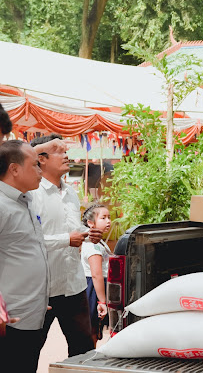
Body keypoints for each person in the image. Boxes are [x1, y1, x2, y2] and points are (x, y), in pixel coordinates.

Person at [30, 133, 100, 357]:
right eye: (58, 151)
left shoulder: (70, 192)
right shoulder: (31, 193)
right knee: (28, 351)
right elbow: (28, 239)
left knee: (83, 349)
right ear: (41, 158)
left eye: (65, 150)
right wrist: (66, 240)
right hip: (43, 289)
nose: (66, 155)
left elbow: (73, 228)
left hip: (74, 285)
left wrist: (88, 234)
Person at [0, 140, 49, 372]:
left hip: (30, 315)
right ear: (14, 169)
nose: (40, 172)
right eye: (35, 165)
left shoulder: (25, 201)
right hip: (8, 322)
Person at [80, 203, 111, 344]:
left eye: (109, 217)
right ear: (91, 223)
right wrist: (102, 301)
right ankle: (89, 356)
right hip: (94, 288)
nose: (108, 221)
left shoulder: (100, 242)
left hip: (98, 287)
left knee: (95, 329)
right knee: (92, 328)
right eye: (103, 218)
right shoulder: (93, 245)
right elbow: (96, 274)